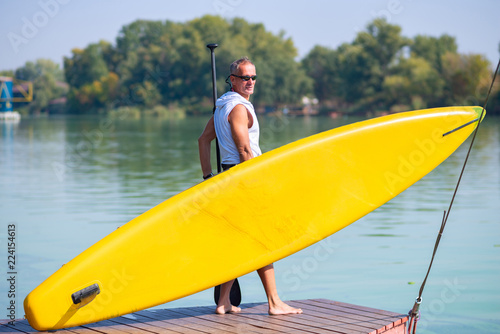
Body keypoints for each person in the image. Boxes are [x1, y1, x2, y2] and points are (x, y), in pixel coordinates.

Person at [198, 57, 303, 316]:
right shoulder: (238, 109)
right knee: (261, 241)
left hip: (228, 177)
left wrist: (209, 177)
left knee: (241, 241)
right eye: (245, 78)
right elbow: (245, 149)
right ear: (232, 80)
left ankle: (224, 301)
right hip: (245, 177)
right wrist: (256, 182)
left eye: (254, 77)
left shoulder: (222, 106)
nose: (251, 82)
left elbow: (203, 141)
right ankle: (275, 303)